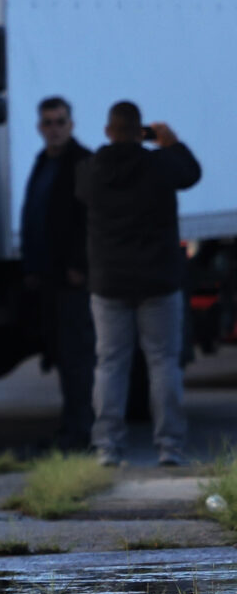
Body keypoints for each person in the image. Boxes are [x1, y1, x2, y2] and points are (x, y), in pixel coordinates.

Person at [77, 99, 203, 466]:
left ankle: (108, 448)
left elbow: (83, 184)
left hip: (109, 283)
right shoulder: (160, 166)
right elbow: (191, 173)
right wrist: (170, 143)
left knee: (110, 364)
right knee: (163, 362)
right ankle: (170, 446)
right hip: (159, 281)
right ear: (140, 132)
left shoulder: (91, 171)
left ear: (107, 132)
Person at [19, 96, 94, 449]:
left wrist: (80, 265)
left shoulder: (81, 163)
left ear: (71, 124)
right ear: (39, 127)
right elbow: (35, 215)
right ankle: (71, 426)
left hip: (72, 281)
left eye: (60, 121)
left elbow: (91, 220)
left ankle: (80, 431)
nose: (54, 129)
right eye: (48, 122)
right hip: (49, 278)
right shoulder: (43, 162)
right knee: (63, 356)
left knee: (77, 357)